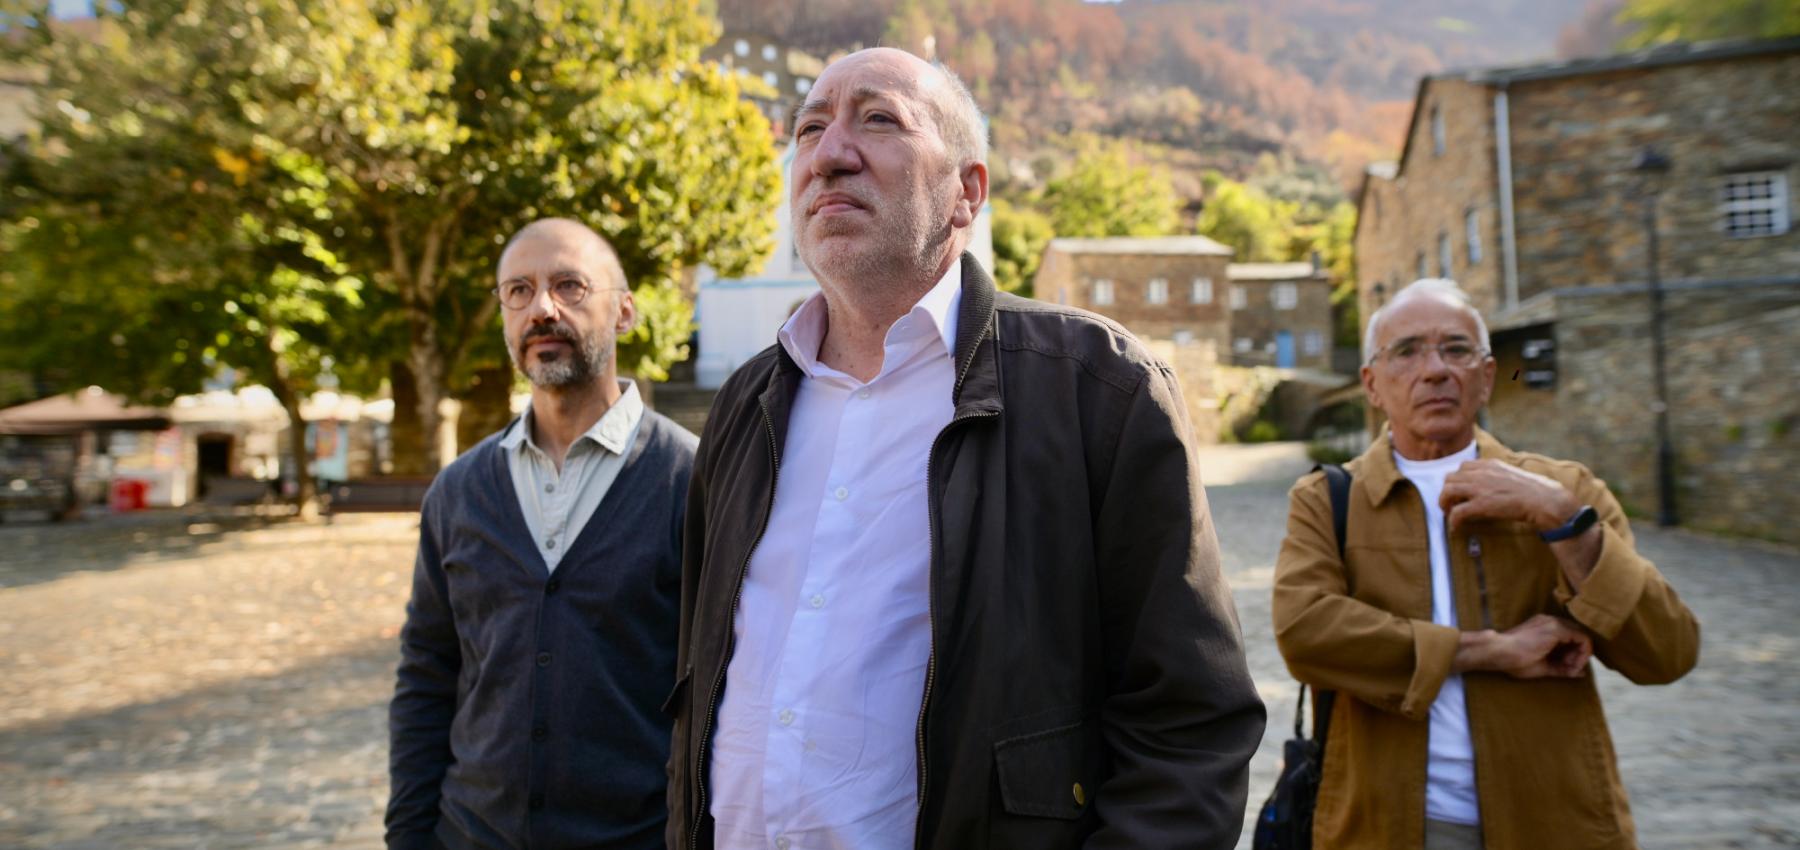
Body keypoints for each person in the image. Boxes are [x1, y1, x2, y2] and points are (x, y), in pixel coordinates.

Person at [666, 48, 1265, 850]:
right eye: (809, 129)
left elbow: (1189, 725)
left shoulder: (1099, 389)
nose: (828, 154)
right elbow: (698, 683)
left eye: (879, 119)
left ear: (966, 193)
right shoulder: (746, 404)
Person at [1272, 278, 1700, 849]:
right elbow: (1305, 634)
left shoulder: (1566, 490)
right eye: (1407, 351)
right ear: (1372, 384)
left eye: (1456, 349)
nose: (1435, 370)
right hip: (1384, 825)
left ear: (1487, 376)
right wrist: (1490, 651)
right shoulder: (1328, 500)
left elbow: (1668, 652)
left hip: (1553, 823)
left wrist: (1563, 521)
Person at [387, 219, 697, 850]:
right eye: (518, 291)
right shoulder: (459, 492)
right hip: (469, 835)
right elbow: (427, 674)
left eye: (570, 286)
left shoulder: (694, 481)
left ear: (624, 311)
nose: (542, 309)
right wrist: (410, 835)